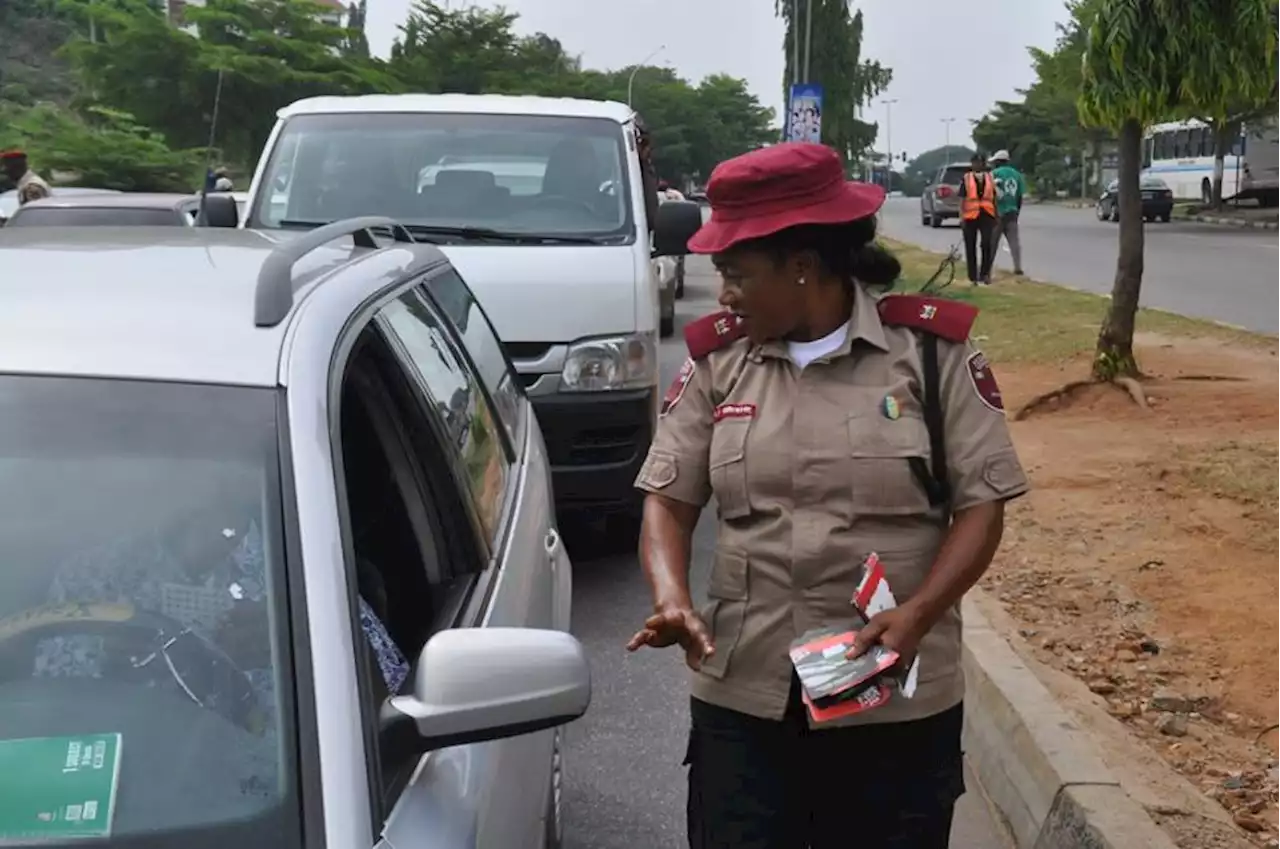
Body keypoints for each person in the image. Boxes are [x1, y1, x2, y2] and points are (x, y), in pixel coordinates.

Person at [625, 141, 1030, 849]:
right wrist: (671, 595)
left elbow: (982, 506)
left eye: (736, 274)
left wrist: (918, 616)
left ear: (803, 266)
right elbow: (668, 497)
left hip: (893, 705)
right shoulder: (719, 364)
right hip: (744, 695)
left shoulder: (930, 357)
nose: (723, 294)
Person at [958, 152, 997, 285]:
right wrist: (961, 216)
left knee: (986, 244)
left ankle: (985, 274)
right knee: (970, 246)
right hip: (970, 216)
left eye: (980, 163)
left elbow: (994, 196)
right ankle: (972, 276)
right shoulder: (966, 178)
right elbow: (962, 198)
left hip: (987, 214)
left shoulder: (989, 177)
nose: (977, 165)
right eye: (975, 162)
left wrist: (996, 214)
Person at [990, 150, 1026, 276]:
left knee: (992, 242)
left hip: (997, 212)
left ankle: (987, 268)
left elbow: (989, 194)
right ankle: (1017, 267)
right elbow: (1020, 196)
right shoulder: (1017, 175)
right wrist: (1017, 212)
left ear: (998, 162)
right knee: (1014, 242)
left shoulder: (993, 174)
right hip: (1012, 212)